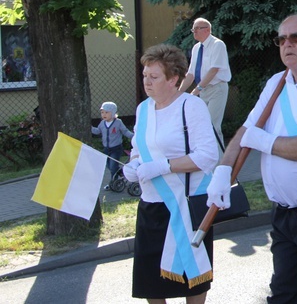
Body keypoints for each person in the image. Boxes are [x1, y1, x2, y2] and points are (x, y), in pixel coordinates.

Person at [206, 13, 297, 303]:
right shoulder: (277, 82)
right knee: (283, 296)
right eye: (282, 39)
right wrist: (223, 171)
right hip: (284, 215)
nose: (287, 44)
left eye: (295, 38)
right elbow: (246, 130)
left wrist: (264, 141)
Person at [123, 44, 219, 302]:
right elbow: (138, 148)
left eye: (154, 77)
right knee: (150, 283)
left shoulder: (191, 106)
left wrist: (164, 165)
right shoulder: (143, 109)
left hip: (187, 205)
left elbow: (208, 156)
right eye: (145, 76)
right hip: (152, 205)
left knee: (193, 281)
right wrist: (133, 164)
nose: (147, 82)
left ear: (173, 79)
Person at [179, 18, 232, 145]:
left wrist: (196, 90)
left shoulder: (217, 45)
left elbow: (214, 69)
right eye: (193, 29)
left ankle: (220, 162)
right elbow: (191, 73)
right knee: (201, 127)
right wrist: (178, 93)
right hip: (203, 91)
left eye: (197, 28)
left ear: (207, 30)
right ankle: (207, 160)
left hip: (217, 89)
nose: (194, 31)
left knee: (212, 126)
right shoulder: (196, 48)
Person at [91, 101, 133, 188]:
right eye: (102, 112)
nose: (104, 115)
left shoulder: (118, 122)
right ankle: (120, 174)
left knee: (113, 166)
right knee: (108, 166)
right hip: (106, 149)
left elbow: (125, 131)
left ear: (113, 113)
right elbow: (97, 131)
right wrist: (90, 128)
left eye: (106, 112)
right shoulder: (102, 123)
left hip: (116, 149)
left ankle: (113, 183)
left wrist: (134, 136)